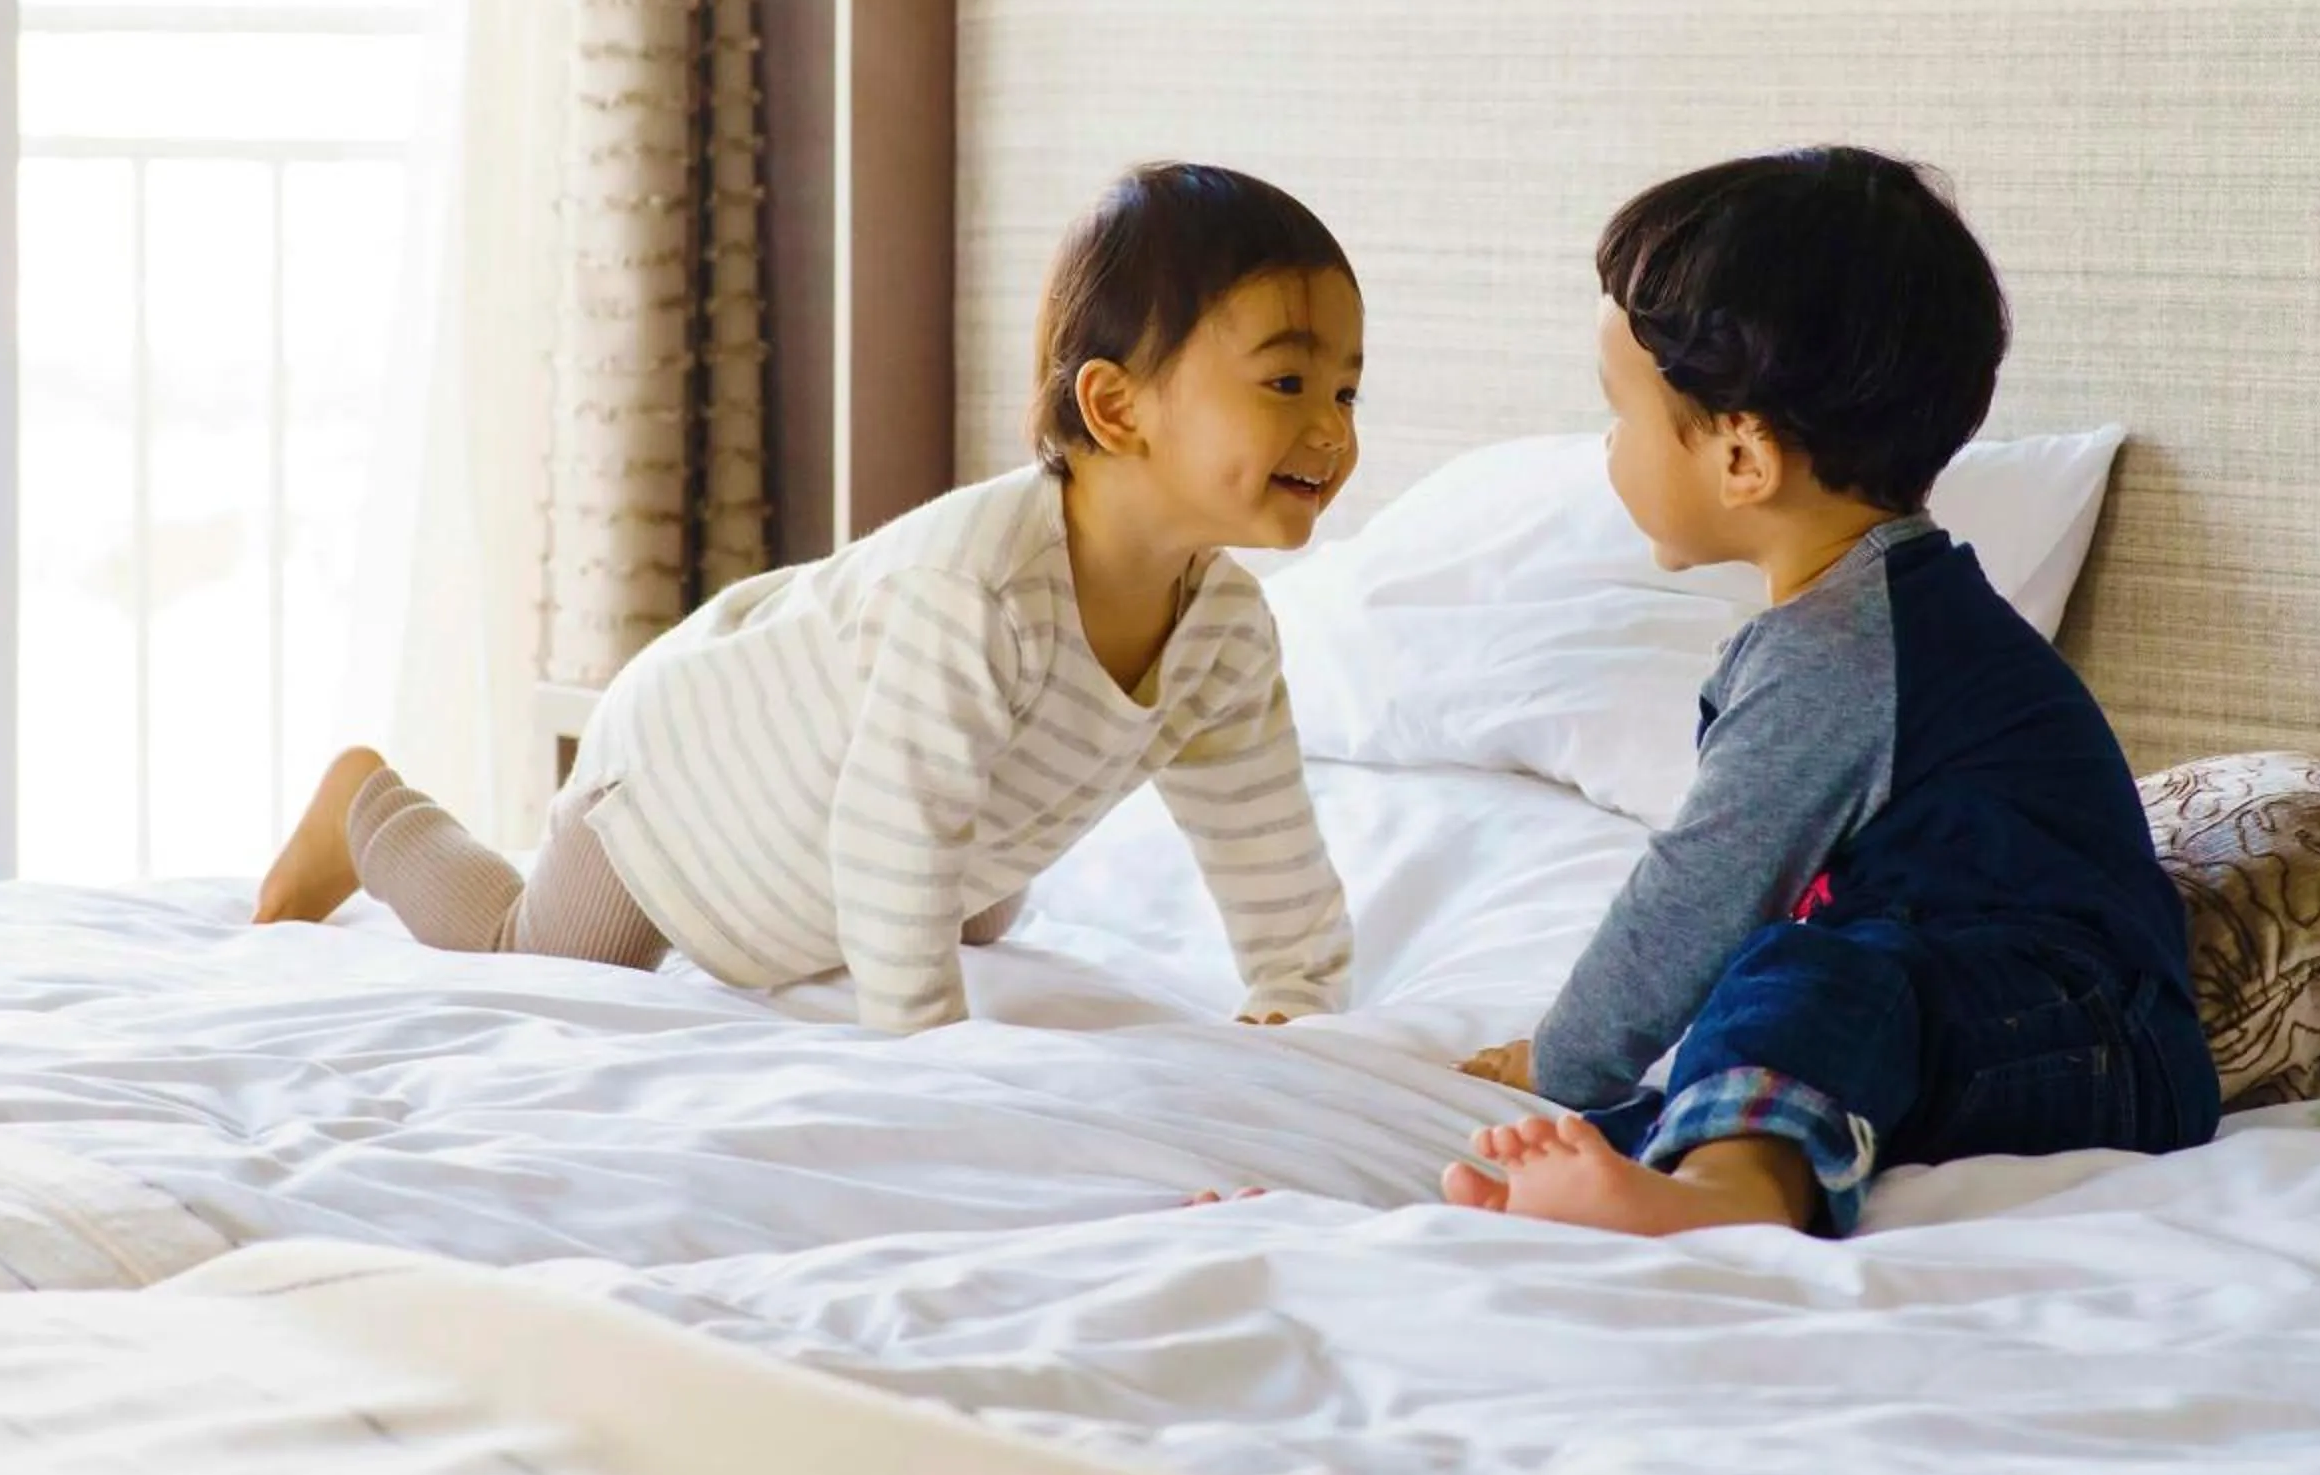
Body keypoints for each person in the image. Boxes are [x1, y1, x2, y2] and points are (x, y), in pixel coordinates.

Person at [256, 162, 1361, 1034]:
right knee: (535, 956)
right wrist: (930, 1052)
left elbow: (1261, 833)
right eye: (1287, 383)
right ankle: (368, 810)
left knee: (963, 889)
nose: (1333, 429)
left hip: (877, 808)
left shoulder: (1224, 632)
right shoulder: (979, 591)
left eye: (1348, 388)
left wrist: (1295, 994)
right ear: (1117, 410)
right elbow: (895, 841)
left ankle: (929, 889)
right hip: (692, 786)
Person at [1447, 145, 2217, 1236]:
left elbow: (1702, 887)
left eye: (1620, 413)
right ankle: (1576, 1184)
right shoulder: (1863, 621)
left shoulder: (1846, 649)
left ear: (1742, 458)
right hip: (1986, 1024)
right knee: (1783, 996)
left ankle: (1724, 1200)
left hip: (2090, 1037)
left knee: (1801, 973)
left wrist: (1565, 1056)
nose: (1608, 449)